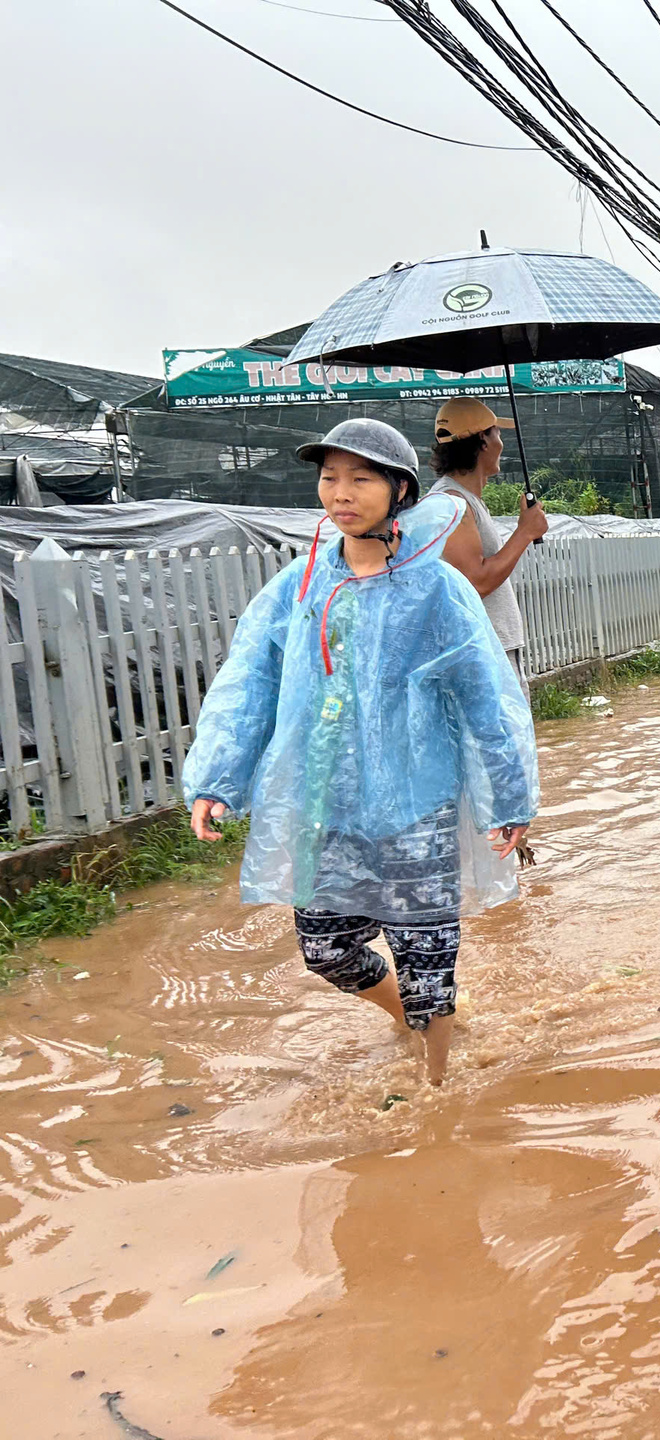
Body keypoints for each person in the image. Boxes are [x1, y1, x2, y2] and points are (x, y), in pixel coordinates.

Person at [181, 417, 539, 1087]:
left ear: (400, 488)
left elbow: (487, 696)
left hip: (418, 801)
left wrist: (509, 794)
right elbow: (250, 678)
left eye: (360, 478)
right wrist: (218, 778)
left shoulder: (436, 588)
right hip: (329, 799)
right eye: (330, 477)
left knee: (426, 956)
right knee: (326, 947)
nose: (340, 492)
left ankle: (439, 1092)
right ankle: (405, 1019)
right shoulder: (301, 584)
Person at [428, 396, 549, 691]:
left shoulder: (466, 500)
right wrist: (524, 533)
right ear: (483, 440)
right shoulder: (451, 502)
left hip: (492, 647)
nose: (501, 442)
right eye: (497, 433)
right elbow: (476, 581)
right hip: (481, 653)